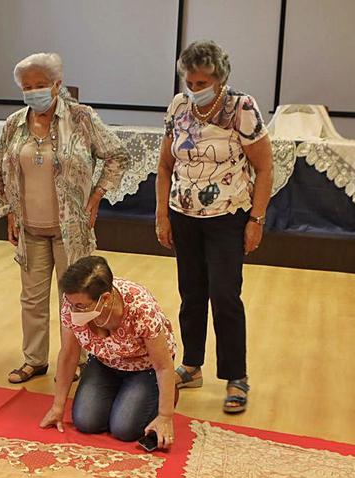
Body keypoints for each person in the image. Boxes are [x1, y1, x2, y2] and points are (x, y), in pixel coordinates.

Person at [0, 52, 129, 384]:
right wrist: (8, 211)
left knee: (78, 299)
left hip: (72, 230)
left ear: (57, 85)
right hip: (30, 229)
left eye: (40, 85)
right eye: (27, 86)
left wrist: (97, 195)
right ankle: (34, 359)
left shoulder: (81, 118)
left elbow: (117, 156)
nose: (33, 91)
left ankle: (78, 359)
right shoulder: (14, 124)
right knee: (32, 299)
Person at [154, 40, 274, 414]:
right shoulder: (178, 107)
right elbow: (164, 166)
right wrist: (161, 214)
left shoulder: (242, 108)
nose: (195, 87)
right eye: (190, 80)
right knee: (191, 293)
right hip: (183, 216)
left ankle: (236, 376)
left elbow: (265, 168)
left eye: (203, 80)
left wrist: (256, 220)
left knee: (224, 295)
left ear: (220, 79)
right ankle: (191, 365)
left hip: (228, 217)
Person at [39, 256, 178, 447]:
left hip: (145, 368)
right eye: (70, 304)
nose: (72, 310)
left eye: (80, 306)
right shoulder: (73, 301)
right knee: (86, 422)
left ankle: (166, 392)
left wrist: (165, 415)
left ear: (104, 299)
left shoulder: (141, 308)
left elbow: (163, 366)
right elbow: (69, 354)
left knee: (125, 429)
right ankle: (123, 394)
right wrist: (58, 406)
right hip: (104, 363)